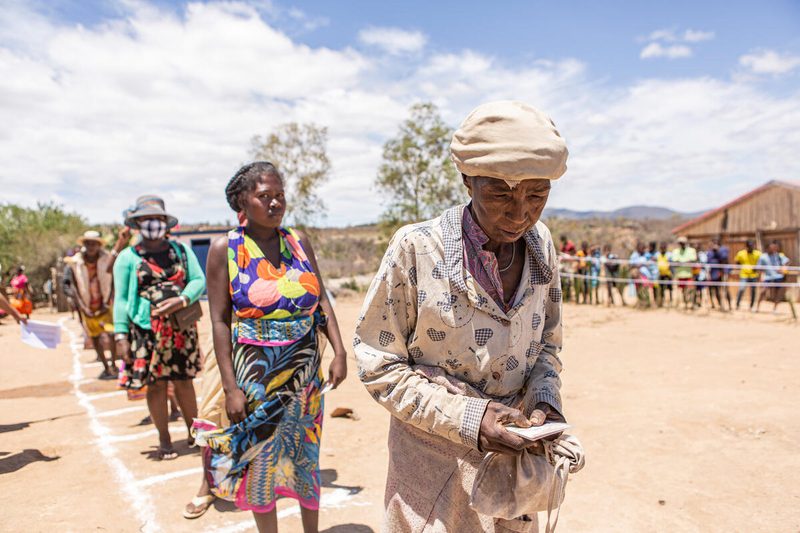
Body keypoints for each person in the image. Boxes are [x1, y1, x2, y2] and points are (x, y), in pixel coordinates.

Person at [355, 101, 569, 531]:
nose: (520, 213)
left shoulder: (540, 244)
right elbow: (378, 366)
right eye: (501, 194)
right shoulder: (415, 249)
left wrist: (546, 400)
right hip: (432, 468)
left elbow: (548, 343)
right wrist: (468, 419)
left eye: (536, 195)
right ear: (467, 179)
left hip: (513, 467)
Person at [191, 162, 348, 532]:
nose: (275, 203)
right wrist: (231, 388)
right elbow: (219, 321)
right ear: (242, 202)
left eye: (280, 196)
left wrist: (339, 351)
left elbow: (321, 301)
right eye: (265, 196)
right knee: (260, 463)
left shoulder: (298, 241)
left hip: (305, 376)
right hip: (256, 379)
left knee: (305, 458)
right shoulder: (224, 249)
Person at [113, 195, 206, 460]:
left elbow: (198, 279)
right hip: (145, 331)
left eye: (157, 219)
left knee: (184, 382)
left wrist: (182, 299)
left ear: (165, 222)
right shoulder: (127, 257)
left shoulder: (180, 251)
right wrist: (120, 333)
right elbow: (119, 299)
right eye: (146, 219)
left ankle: (193, 433)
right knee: (155, 385)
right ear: (137, 223)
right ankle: (164, 439)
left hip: (181, 329)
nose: (152, 224)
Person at [66, 230, 125, 379]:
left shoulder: (107, 259)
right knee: (95, 337)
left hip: (105, 303)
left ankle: (113, 365)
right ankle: (105, 367)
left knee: (111, 334)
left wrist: (109, 300)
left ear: (99, 245)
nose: (91, 247)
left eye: (94, 244)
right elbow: (72, 286)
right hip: (87, 306)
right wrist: (82, 307)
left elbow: (113, 280)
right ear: (84, 245)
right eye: (88, 243)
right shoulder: (75, 263)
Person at [756, 241, 796, 318]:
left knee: (777, 294)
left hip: (778, 277)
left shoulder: (778, 255)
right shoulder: (763, 257)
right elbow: (759, 267)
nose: (773, 249)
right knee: (763, 291)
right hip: (768, 277)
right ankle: (757, 307)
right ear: (768, 248)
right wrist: (761, 276)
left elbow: (787, 261)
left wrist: (783, 267)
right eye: (771, 248)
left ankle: (774, 309)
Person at [734, 240, 761, 311]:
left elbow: (761, 262)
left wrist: (757, 268)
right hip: (744, 274)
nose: (751, 248)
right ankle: (737, 304)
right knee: (741, 289)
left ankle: (751, 306)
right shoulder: (741, 254)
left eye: (752, 246)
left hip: (754, 275)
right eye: (749, 246)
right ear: (746, 247)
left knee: (753, 291)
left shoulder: (758, 254)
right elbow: (737, 262)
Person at [672, 236, 697, 310]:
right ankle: (685, 304)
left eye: (683, 243)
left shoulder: (691, 250)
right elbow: (675, 262)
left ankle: (691, 304)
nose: (681, 244)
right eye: (680, 243)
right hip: (680, 275)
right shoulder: (676, 251)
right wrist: (685, 262)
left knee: (690, 290)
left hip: (689, 275)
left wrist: (682, 263)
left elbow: (693, 261)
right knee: (682, 291)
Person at [706, 238, 728, 311]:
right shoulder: (709, 253)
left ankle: (726, 305)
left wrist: (718, 251)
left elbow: (724, 261)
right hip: (712, 274)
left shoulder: (722, 251)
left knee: (724, 290)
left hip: (720, 273)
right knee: (713, 290)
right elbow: (708, 263)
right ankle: (715, 304)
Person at [629, 242, 652, 308]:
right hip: (637, 275)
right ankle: (640, 302)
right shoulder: (634, 255)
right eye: (641, 248)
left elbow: (650, 262)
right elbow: (631, 265)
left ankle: (646, 303)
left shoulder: (646, 255)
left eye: (643, 248)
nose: (642, 250)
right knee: (638, 289)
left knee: (645, 288)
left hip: (645, 275)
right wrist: (638, 265)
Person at [558, 235, 577, 302]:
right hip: (564, 263)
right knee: (561, 279)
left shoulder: (570, 245)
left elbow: (574, 252)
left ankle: (569, 297)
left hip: (569, 264)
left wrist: (568, 254)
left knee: (568, 281)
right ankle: (564, 297)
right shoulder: (563, 245)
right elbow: (561, 252)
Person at [655, 242, 673, 307]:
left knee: (669, 288)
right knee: (661, 289)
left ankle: (671, 301)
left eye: (664, 248)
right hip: (660, 274)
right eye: (661, 248)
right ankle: (662, 301)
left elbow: (671, 264)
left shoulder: (669, 255)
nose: (662, 249)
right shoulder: (658, 255)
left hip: (668, 274)